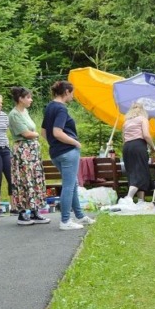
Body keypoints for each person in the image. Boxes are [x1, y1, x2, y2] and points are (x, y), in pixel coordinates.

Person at [41, 80, 94, 230]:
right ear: (66, 92)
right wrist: (75, 143)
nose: (73, 96)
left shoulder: (49, 107)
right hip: (68, 152)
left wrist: (55, 144)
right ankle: (65, 221)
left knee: (73, 183)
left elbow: (44, 132)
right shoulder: (61, 109)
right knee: (69, 186)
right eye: (72, 93)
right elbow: (57, 132)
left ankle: (80, 216)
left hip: (56, 153)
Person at [7, 86, 50, 225]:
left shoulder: (25, 111)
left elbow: (32, 131)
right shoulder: (14, 114)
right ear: (20, 99)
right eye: (28, 97)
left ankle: (34, 211)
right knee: (24, 179)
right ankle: (21, 213)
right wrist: (36, 134)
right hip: (23, 151)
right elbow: (27, 133)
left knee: (34, 179)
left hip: (32, 151)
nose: (31, 100)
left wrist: (34, 135)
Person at [119, 102, 155, 205]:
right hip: (138, 146)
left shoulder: (126, 122)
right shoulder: (143, 119)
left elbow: (124, 139)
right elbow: (146, 135)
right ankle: (129, 197)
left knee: (133, 173)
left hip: (127, 147)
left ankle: (141, 200)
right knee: (141, 172)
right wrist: (153, 147)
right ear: (143, 111)